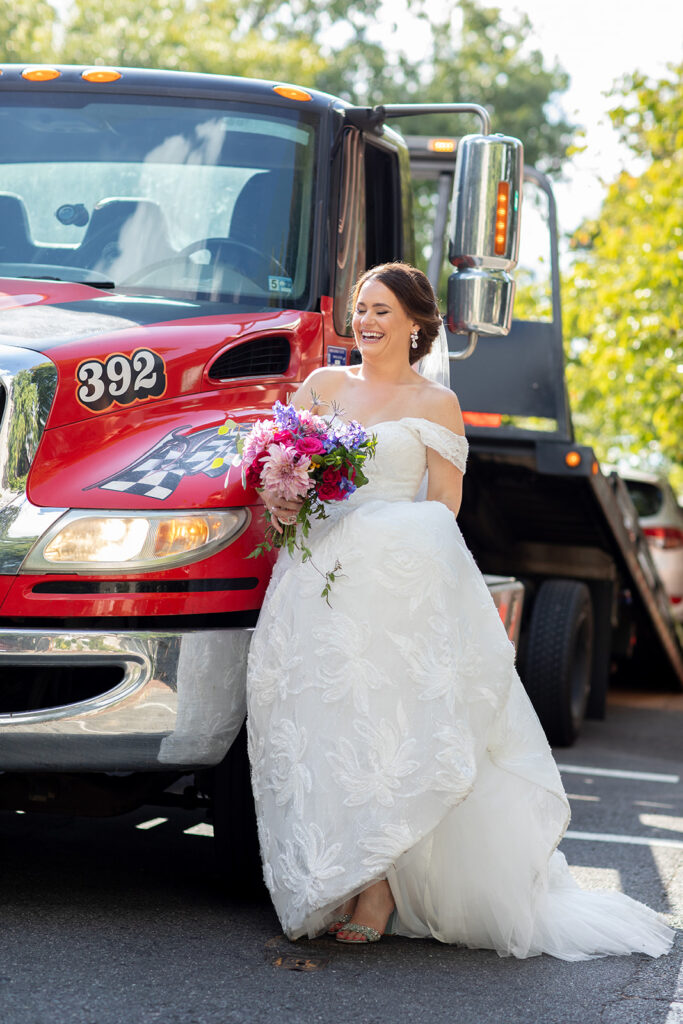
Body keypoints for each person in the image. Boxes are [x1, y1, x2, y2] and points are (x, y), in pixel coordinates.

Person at [246, 262, 674, 959]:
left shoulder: (436, 403)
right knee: (323, 720)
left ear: (415, 323)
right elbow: (281, 473)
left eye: (382, 309)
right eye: (360, 308)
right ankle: (339, 870)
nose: (367, 320)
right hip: (316, 575)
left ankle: (379, 885)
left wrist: (382, 539)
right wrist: (282, 496)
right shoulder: (322, 388)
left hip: (393, 582)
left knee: (390, 720)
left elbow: (442, 503)